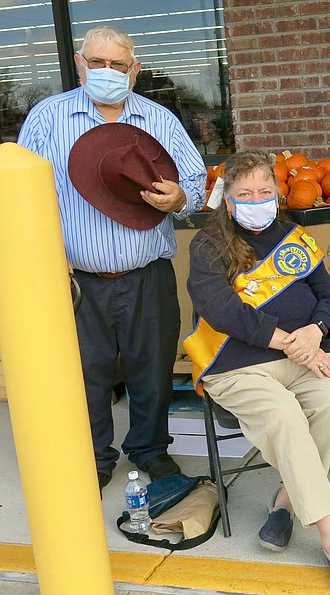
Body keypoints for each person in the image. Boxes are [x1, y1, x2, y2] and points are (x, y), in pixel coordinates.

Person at [16, 26, 206, 492]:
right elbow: (23, 194)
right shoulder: (48, 118)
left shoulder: (158, 119)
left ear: (134, 71)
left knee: (153, 367)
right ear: (80, 64)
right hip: (76, 277)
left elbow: (198, 182)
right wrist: (45, 253)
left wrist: (181, 196)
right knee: (85, 372)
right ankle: (93, 457)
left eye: (118, 66)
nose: (106, 72)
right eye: (96, 63)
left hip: (147, 273)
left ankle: (150, 449)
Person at [182, 150, 330, 593]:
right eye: (245, 193)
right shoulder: (207, 245)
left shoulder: (294, 235)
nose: (256, 199)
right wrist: (294, 341)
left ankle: (286, 499)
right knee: (285, 415)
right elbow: (224, 311)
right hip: (235, 366)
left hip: (300, 357)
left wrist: (317, 330)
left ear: (278, 193)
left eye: (265, 191)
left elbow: (327, 294)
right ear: (228, 201)